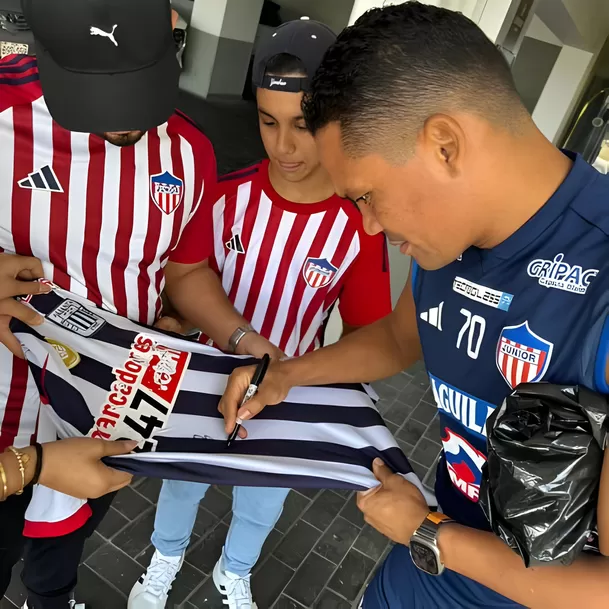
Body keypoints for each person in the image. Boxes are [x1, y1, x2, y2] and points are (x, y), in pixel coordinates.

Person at [219, 3, 609, 609]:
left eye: (369, 196)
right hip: (423, 570)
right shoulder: (447, 242)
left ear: (444, 145)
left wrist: (428, 533)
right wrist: (287, 375)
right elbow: (403, 338)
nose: (368, 227)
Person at [129, 18, 392, 609]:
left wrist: (313, 381)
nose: (283, 146)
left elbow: (369, 335)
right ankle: (165, 555)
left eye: (303, 125)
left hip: (289, 391)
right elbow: (184, 278)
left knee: (262, 500)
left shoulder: (361, 224)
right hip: (203, 380)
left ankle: (234, 571)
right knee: (180, 484)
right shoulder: (223, 196)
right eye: (268, 122)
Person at [0, 0, 217, 607]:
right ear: (41, 49)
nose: (121, 120)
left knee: (61, 552)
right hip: (5, 412)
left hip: (112, 409)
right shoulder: (1, 113)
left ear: (172, 33)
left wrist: (233, 338)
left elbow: (186, 268)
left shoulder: (192, 151)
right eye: (93, 93)